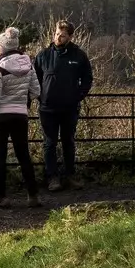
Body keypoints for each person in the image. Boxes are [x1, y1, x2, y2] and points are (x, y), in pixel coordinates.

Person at [0, 26, 42, 208]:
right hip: (20, 115)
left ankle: (2, 197)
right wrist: (21, 101)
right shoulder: (28, 66)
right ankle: (32, 195)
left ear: (3, 48)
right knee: (23, 155)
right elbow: (36, 91)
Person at [33, 19, 94, 192]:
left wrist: (78, 96)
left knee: (68, 141)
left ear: (70, 37)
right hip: (47, 108)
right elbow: (34, 78)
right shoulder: (43, 55)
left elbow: (87, 78)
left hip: (69, 108)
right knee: (49, 143)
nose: (59, 37)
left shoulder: (79, 55)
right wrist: (40, 96)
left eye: (63, 35)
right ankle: (52, 178)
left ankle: (70, 175)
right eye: (57, 34)